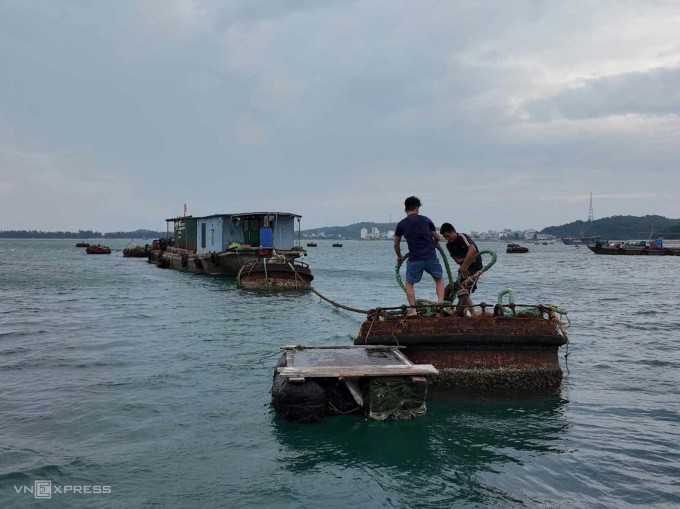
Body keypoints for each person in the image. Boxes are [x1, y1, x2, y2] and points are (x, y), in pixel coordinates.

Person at [394, 196, 445, 316]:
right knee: (439, 280)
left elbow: (396, 245)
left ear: (405, 209)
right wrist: (435, 245)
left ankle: (413, 311)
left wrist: (400, 256)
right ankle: (441, 305)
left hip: (415, 259)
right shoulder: (426, 220)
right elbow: (437, 237)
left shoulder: (401, 224)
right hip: (430, 256)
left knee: (409, 284)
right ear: (417, 208)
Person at [439, 223, 483, 297]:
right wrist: (467, 261)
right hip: (463, 269)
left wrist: (464, 264)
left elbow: (472, 250)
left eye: (448, 236)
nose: (447, 239)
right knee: (459, 288)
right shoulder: (448, 245)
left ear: (453, 232)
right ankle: (458, 305)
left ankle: (467, 307)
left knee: (468, 288)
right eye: (445, 237)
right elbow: (457, 260)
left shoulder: (462, 237)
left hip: (475, 266)